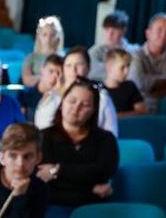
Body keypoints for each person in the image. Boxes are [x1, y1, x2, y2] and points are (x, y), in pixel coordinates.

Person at [39, 81, 119, 211]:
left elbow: (103, 171)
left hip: (95, 207)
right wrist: (90, 188)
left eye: (85, 105)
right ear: (62, 103)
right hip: (54, 206)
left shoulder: (105, 139)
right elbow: (45, 179)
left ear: (94, 110)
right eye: (72, 101)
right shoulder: (43, 137)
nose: (76, 108)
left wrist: (58, 170)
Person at [40, 48, 118, 136]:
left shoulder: (102, 97)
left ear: (88, 67)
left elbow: (112, 133)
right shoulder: (51, 97)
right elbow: (41, 129)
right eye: (68, 65)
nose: (73, 70)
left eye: (79, 65)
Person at [87, 10, 133, 81]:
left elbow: (133, 74)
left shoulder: (133, 51)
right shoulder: (95, 51)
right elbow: (91, 72)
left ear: (124, 30)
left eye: (115, 29)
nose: (110, 33)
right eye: (107, 29)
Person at [20, 16, 64, 90]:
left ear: (58, 37)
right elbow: (27, 80)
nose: (48, 39)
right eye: (44, 35)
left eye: (52, 35)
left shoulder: (63, 58)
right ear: (39, 36)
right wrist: (46, 78)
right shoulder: (30, 58)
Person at [103, 49, 146, 117]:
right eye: (122, 67)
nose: (126, 71)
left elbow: (142, 111)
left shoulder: (130, 86)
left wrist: (116, 116)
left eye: (128, 66)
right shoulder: (99, 90)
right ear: (109, 68)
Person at [32, 54, 66, 129]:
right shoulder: (27, 95)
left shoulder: (60, 98)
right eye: (51, 71)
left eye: (58, 73)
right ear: (42, 70)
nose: (54, 76)